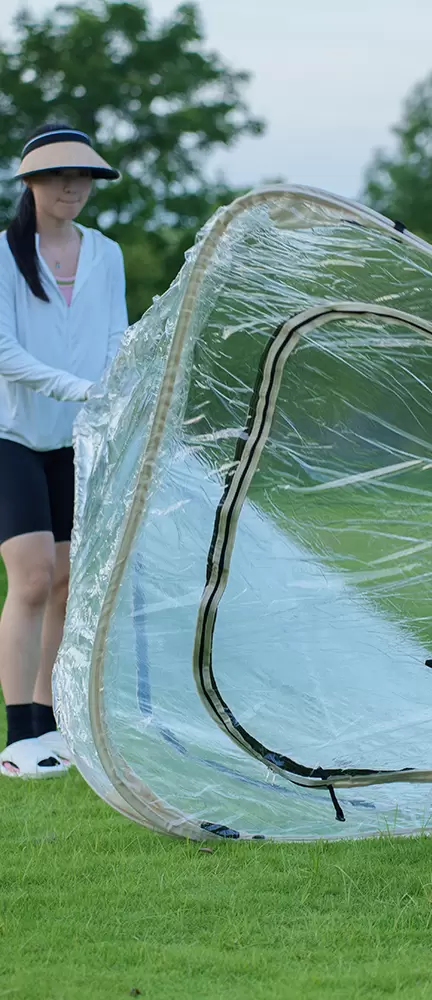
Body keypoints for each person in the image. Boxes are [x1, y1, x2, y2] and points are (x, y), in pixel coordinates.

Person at [0, 125, 126, 778]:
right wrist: (81, 388)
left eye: (83, 177)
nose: (72, 187)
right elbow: (3, 351)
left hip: (77, 441)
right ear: (31, 184)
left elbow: (115, 337)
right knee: (32, 578)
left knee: (69, 581)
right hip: (13, 439)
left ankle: (51, 721)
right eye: (57, 177)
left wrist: (113, 393)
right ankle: (19, 731)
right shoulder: (3, 254)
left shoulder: (105, 253)